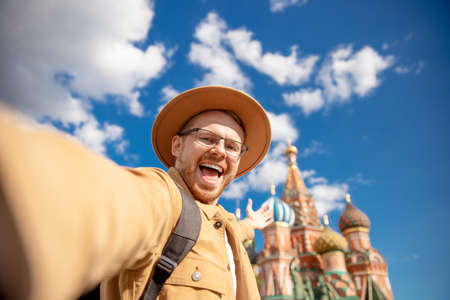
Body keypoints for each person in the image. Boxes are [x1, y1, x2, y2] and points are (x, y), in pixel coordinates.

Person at [0, 86, 274, 300]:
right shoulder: (163, 197)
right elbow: (101, 202)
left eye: (232, 146)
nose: (219, 151)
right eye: (207, 138)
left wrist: (254, 224)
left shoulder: (226, 227)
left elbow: (239, 231)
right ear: (177, 146)